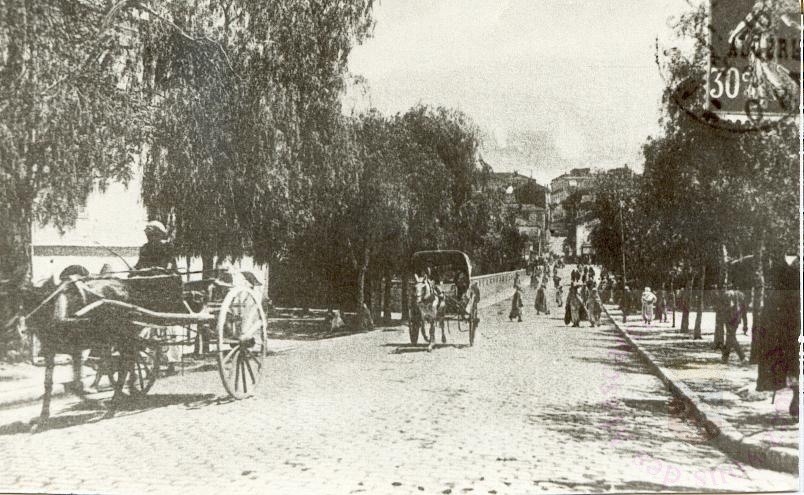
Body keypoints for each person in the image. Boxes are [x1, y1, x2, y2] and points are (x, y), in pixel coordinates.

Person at [134, 220, 182, 374]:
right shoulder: (145, 249)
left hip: (166, 284)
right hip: (148, 283)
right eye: (147, 234)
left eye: (152, 234)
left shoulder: (167, 247)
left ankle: (171, 363)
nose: (149, 237)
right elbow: (139, 264)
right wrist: (134, 271)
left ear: (158, 234)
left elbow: (169, 265)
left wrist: (158, 270)